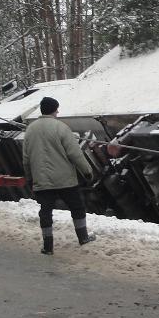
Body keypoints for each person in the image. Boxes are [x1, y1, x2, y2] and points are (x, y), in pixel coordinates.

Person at [22, 96, 95, 255]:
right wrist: (87, 171)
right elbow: (75, 154)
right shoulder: (62, 128)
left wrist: (29, 177)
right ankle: (83, 237)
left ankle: (48, 246)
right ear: (54, 110)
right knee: (77, 207)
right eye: (57, 109)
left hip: (42, 181)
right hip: (65, 180)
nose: (58, 111)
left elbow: (26, 158)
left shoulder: (30, 130)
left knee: (45, 211)